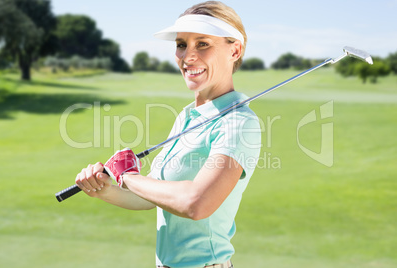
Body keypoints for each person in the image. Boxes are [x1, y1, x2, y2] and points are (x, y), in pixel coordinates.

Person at [75, 1, 261, 267]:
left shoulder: (238, 123)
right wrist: (104, 190)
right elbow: (153, 196)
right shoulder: (188, 116)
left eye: (203, 44)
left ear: (235, 50)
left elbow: (196, 203)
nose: (188, 56)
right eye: (182, 44)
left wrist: (126, 175)